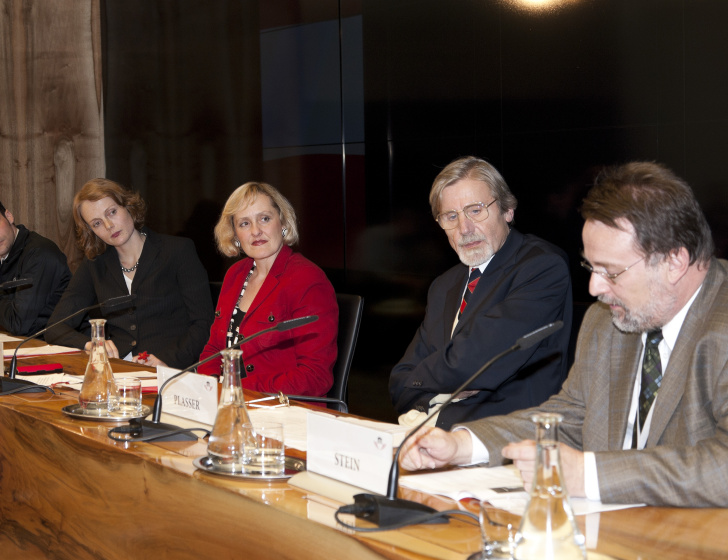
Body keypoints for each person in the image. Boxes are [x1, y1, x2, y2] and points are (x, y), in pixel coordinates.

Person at [399, 161, 728, 508]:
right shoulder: (609, 321)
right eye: (591, 266)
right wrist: (464, 445)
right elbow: (570, 415)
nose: (595, 287)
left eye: (611, 271)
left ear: (675, 261)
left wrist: (588, 474)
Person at [389, 156, 573, 429]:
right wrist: (440, 386)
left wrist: (425, 382)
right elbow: (399, 380)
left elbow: (474, 362)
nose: (465, 228)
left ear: (507, 210)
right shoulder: (444, 285)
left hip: (508, 440)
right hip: (436, 431)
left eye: (475, 210)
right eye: (451, 216)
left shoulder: (541, 267)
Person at [45, 179, 212, 369]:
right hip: (120, 371)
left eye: (112, 212)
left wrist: (168, 359)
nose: (108, 225)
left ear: (128, 206)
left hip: (172, 369)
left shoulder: (177, 251)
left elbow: (204, 324)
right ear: (91, 231)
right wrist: (92, 344)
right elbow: (55, 328)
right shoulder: (94, 265)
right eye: (97, 223)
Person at [198, 182, 338, 396]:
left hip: (285, 411)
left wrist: (235, 390)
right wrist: (208, 388)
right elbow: (215, 350)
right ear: (235, 234)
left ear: (282, 221)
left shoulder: (308, 280)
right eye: (244, 223)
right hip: (231, 403)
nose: (256, 231)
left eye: (264, 218)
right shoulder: (235, 274)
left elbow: (315, 376)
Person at [0, 192, 71, 336]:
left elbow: (18, 324)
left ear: (9, 216)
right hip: (26, 348)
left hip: (62, 350)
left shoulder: (39, 254)